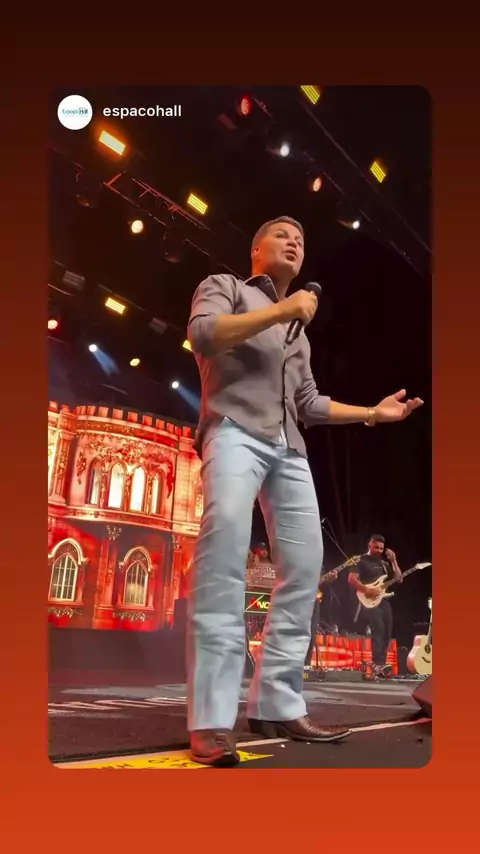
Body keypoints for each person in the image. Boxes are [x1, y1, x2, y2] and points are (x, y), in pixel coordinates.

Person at [186, 216, 424, 766]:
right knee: (223, 558)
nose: (294, 242)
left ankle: (277, 701)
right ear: (256, 249)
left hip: (289, 448)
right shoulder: (227, 287)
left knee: (304, 570)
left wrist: (373, 413)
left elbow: (309, 403)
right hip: (233, 430)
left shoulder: (301, 334)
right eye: (282, 235)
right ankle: (211, 719)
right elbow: (204, 334)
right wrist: (282, 311)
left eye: (301, 239)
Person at [348, 535, 403, 676]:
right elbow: (352, 579)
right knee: (378, 628)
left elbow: (399, 579)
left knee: (387, 630)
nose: (378, 550)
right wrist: (367, 590)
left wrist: (394, 560)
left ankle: (381, 664)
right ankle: (376, 663)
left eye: (381, 548)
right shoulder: (360, 560)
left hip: (383, 600)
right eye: (376, 547)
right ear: (369, 545)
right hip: (368, 600)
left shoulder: (384, 563)